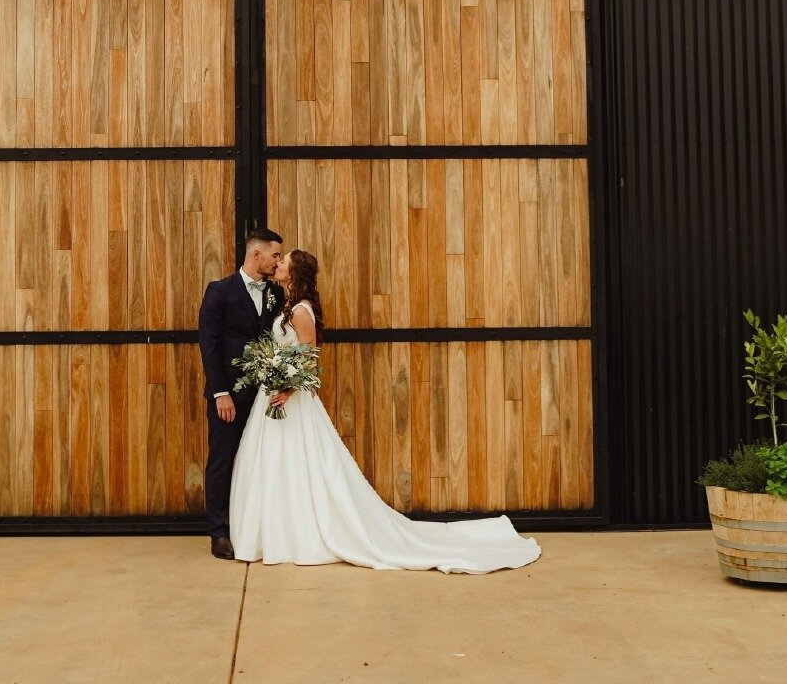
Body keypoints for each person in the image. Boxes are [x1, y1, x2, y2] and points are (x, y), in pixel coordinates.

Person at [229, 249, 542, 574]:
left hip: (292, 400)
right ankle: (278, 531)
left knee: (301, 464)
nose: (277, 265)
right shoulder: (287, 307)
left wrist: (289, 389)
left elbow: (310, 360)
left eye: (284, 262)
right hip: (277, 397)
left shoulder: (300, 312)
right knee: (279, 465)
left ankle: (301, 534)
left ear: (295, 273)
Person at [197, 228, 285, 560]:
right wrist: (221, 393)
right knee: (222, 459)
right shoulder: (219, 292)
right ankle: (219, 532)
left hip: (264, 395)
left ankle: (255, 527)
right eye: (275, 255)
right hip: (228, 395)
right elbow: (210, 345)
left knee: (261, 460)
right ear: (256, 254)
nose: (278, 261)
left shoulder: (276, 294)